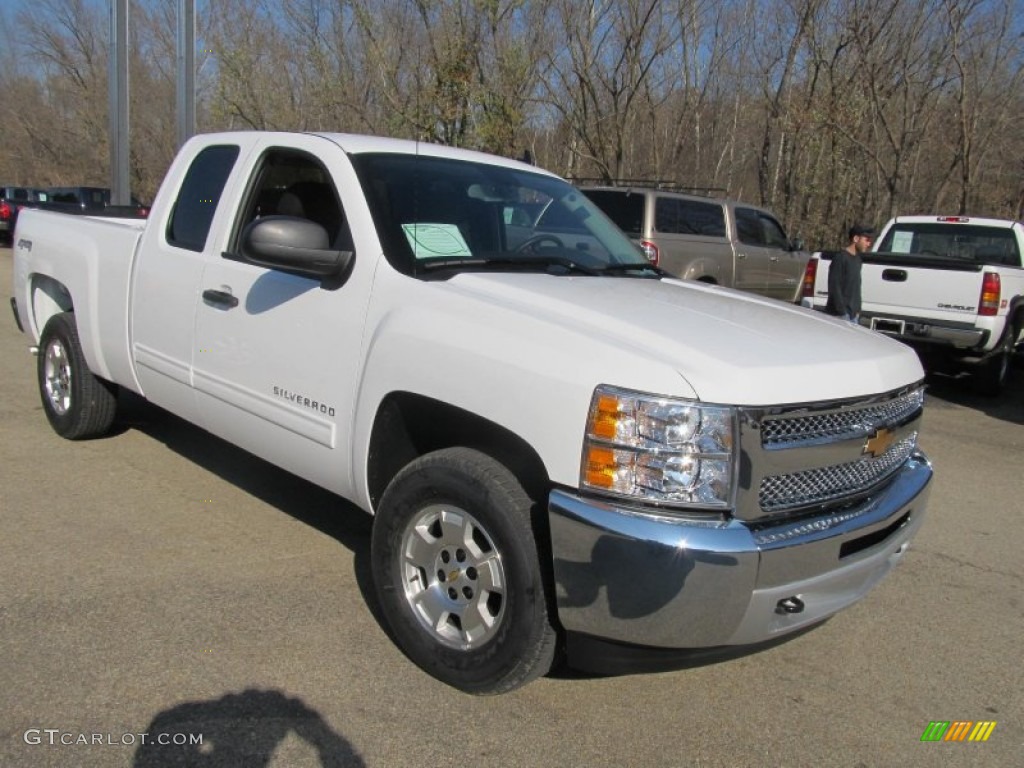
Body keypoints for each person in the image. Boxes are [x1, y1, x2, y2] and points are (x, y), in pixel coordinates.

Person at [826, 224, 874, 323]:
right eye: (866, 240)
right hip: (839, 316)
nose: (868, 244)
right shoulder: (840, 258)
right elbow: (834, 287)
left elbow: (856, 287)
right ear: (856, 238)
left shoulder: (858, 259)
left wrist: (857, 310)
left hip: (853, 316)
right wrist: (842, 312)